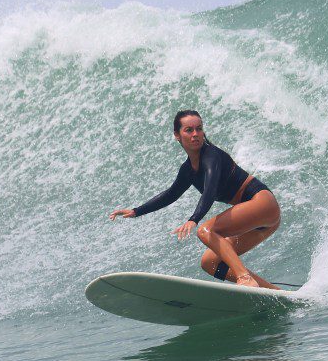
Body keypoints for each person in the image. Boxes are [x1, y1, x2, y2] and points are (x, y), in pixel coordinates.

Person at [109, 110, 281, 289]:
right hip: (258, 218)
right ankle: (272, 292)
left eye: (199, 129)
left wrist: (194, 219)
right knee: (209, 262)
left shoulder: (212, 156)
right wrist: (136, 211)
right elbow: (171, 194)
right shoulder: (188, 170)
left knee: (205, 231)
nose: (195, 134)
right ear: (177, 135)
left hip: (261, 202)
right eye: (189, 130)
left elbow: (210, 189)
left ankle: (244, 278)